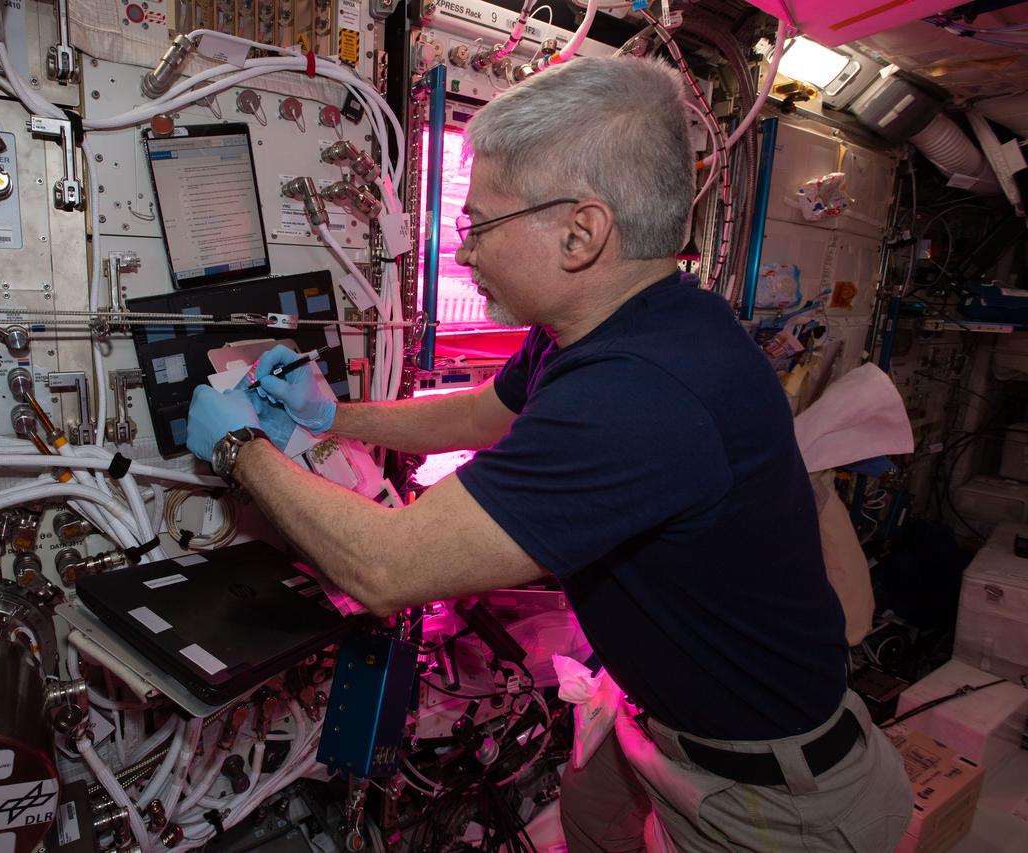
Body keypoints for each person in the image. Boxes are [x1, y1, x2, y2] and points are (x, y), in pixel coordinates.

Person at [185, 55, 912, 852]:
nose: (465, 255)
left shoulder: (640, 391)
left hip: (766, 800)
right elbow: (480, 415)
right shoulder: (620, 324)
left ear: (582, 231)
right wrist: (334, 420)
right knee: (587, 820)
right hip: (656, 724)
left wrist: (238, 444)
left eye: (480, 226)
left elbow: (385, 569)